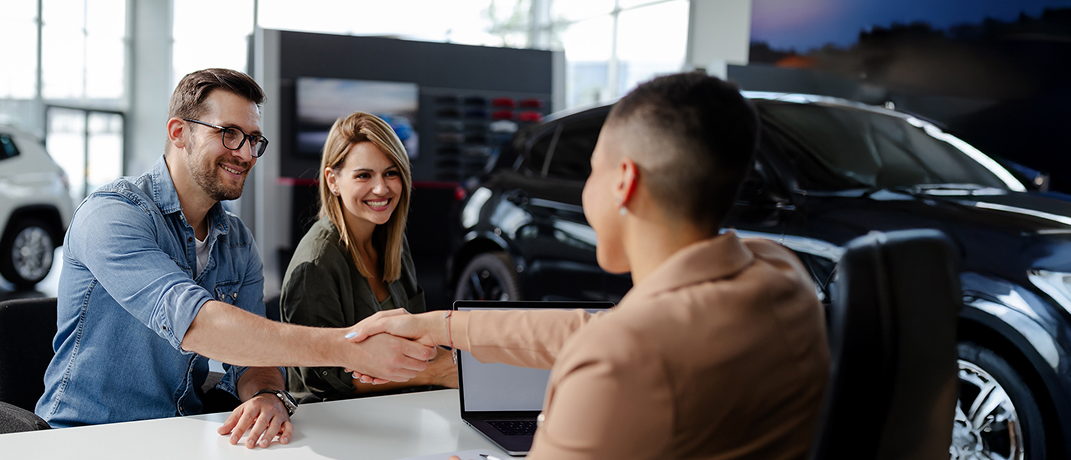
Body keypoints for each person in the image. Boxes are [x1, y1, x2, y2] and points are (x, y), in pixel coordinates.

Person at [348, 73, 830, 459]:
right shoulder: (782, 276)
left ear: (624, 181)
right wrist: (438, 326)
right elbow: (591, 330)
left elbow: (611, 344)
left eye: (591, 170)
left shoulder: (619, 363)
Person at [35, 68, 436, 449]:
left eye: (253, 139)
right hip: (86, 438)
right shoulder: (113, 215)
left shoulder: (238, 241)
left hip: (179, 433)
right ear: (179, 132)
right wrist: (348, 348)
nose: (245, 153)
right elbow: (197, 324)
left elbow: (252, 360)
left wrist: (265, 394)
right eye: (229, 134)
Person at [281, 112, 458, 401]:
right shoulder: (315, 264)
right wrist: (435, 373)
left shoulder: (392, 243)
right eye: (364, 175)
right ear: (333, 180)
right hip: (339, 424)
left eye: (391, 173)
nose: (382, 188)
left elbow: (417, 336)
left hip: (401, 408)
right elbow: (325, 382)